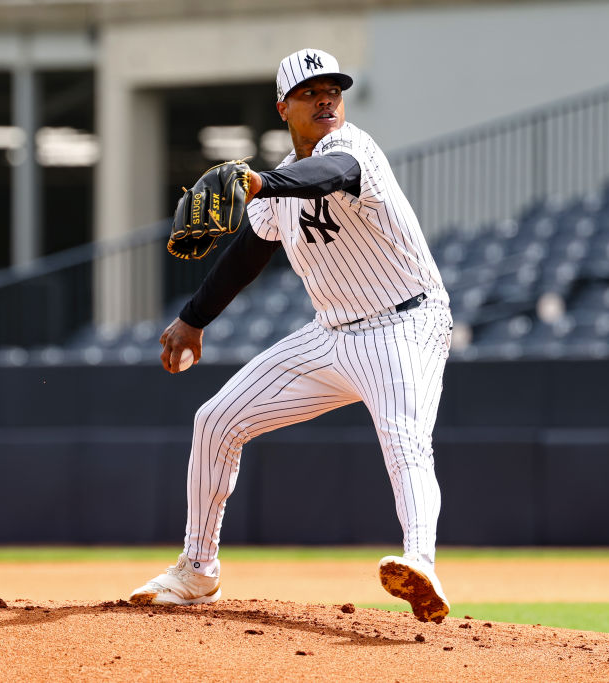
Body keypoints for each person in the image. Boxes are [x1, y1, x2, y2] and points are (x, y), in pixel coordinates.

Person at [128, 48, 453, 623]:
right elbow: (245, 256)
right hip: (331, 335)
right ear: (284, 107)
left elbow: (329, 175)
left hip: (406, 322)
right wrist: (192, 318)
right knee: (216, 420)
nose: (325, 98)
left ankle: (420, 563)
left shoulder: (353, 149)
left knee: (404, 437)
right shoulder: (279, 190)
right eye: (309, 92)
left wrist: (259, 180)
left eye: (333, 89)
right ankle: (197, 571)